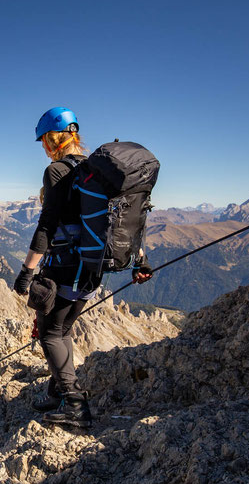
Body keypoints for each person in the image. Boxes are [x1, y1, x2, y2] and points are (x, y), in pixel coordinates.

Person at [14, 107, 152, 429]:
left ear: (52, 139)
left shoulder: (57, 171)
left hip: (65, 266)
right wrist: (139, 259)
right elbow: (119, 222)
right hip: (92, 267)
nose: (43, 147)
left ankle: (75, 404)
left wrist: (27, 272)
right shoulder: (93, 172)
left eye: (44, 140)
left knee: (50, 333)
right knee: (63, 329)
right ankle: (57, 393)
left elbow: (47, 225)